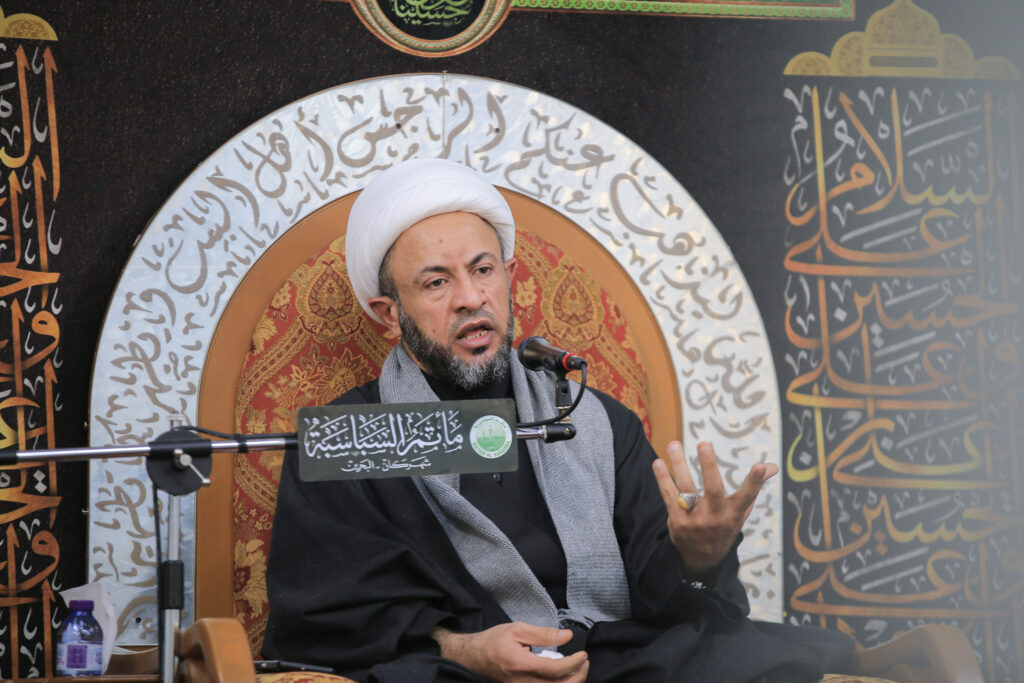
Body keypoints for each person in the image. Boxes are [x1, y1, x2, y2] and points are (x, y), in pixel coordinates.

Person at [263, 158, 855, 682]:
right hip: (461, 672)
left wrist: (700, 556)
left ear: (509, 277)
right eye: (437, 282)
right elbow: (332, 619)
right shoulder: (352, 439)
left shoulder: (591, 420)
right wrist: (467, 650)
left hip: (607, 661)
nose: (471, 298)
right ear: (389, 314)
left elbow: (661, 599)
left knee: (753, 658)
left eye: (483, 270)